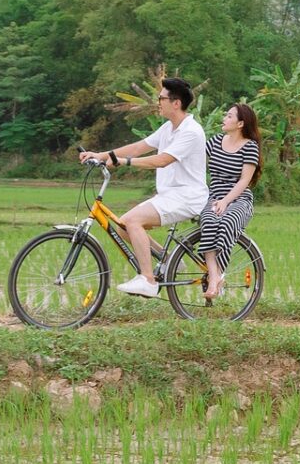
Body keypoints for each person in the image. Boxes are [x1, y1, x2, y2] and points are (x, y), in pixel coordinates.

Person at [80, 77, 208, 298]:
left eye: (161, 98)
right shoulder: (168, 128)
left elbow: (161, 160)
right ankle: (170, 261)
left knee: (132, 221)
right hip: (169, 195)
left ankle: (148, 280)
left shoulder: (191, 131)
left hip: (187, 196)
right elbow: (139, 147)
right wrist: (100, 155)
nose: (158, 102)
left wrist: (124, 162)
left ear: (176, 103)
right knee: (123, 226)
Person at [198, 102, 261, 300]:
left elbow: (245, 180)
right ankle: (215, 277)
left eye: (229, 116)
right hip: (214, 196)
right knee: (208, 222)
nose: (224, 119)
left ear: (241, 123)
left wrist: (226, 201)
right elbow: (194, 158)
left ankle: (217, 274)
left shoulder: (250, 147)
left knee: (226, 223)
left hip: (239, 199)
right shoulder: (216, 141)